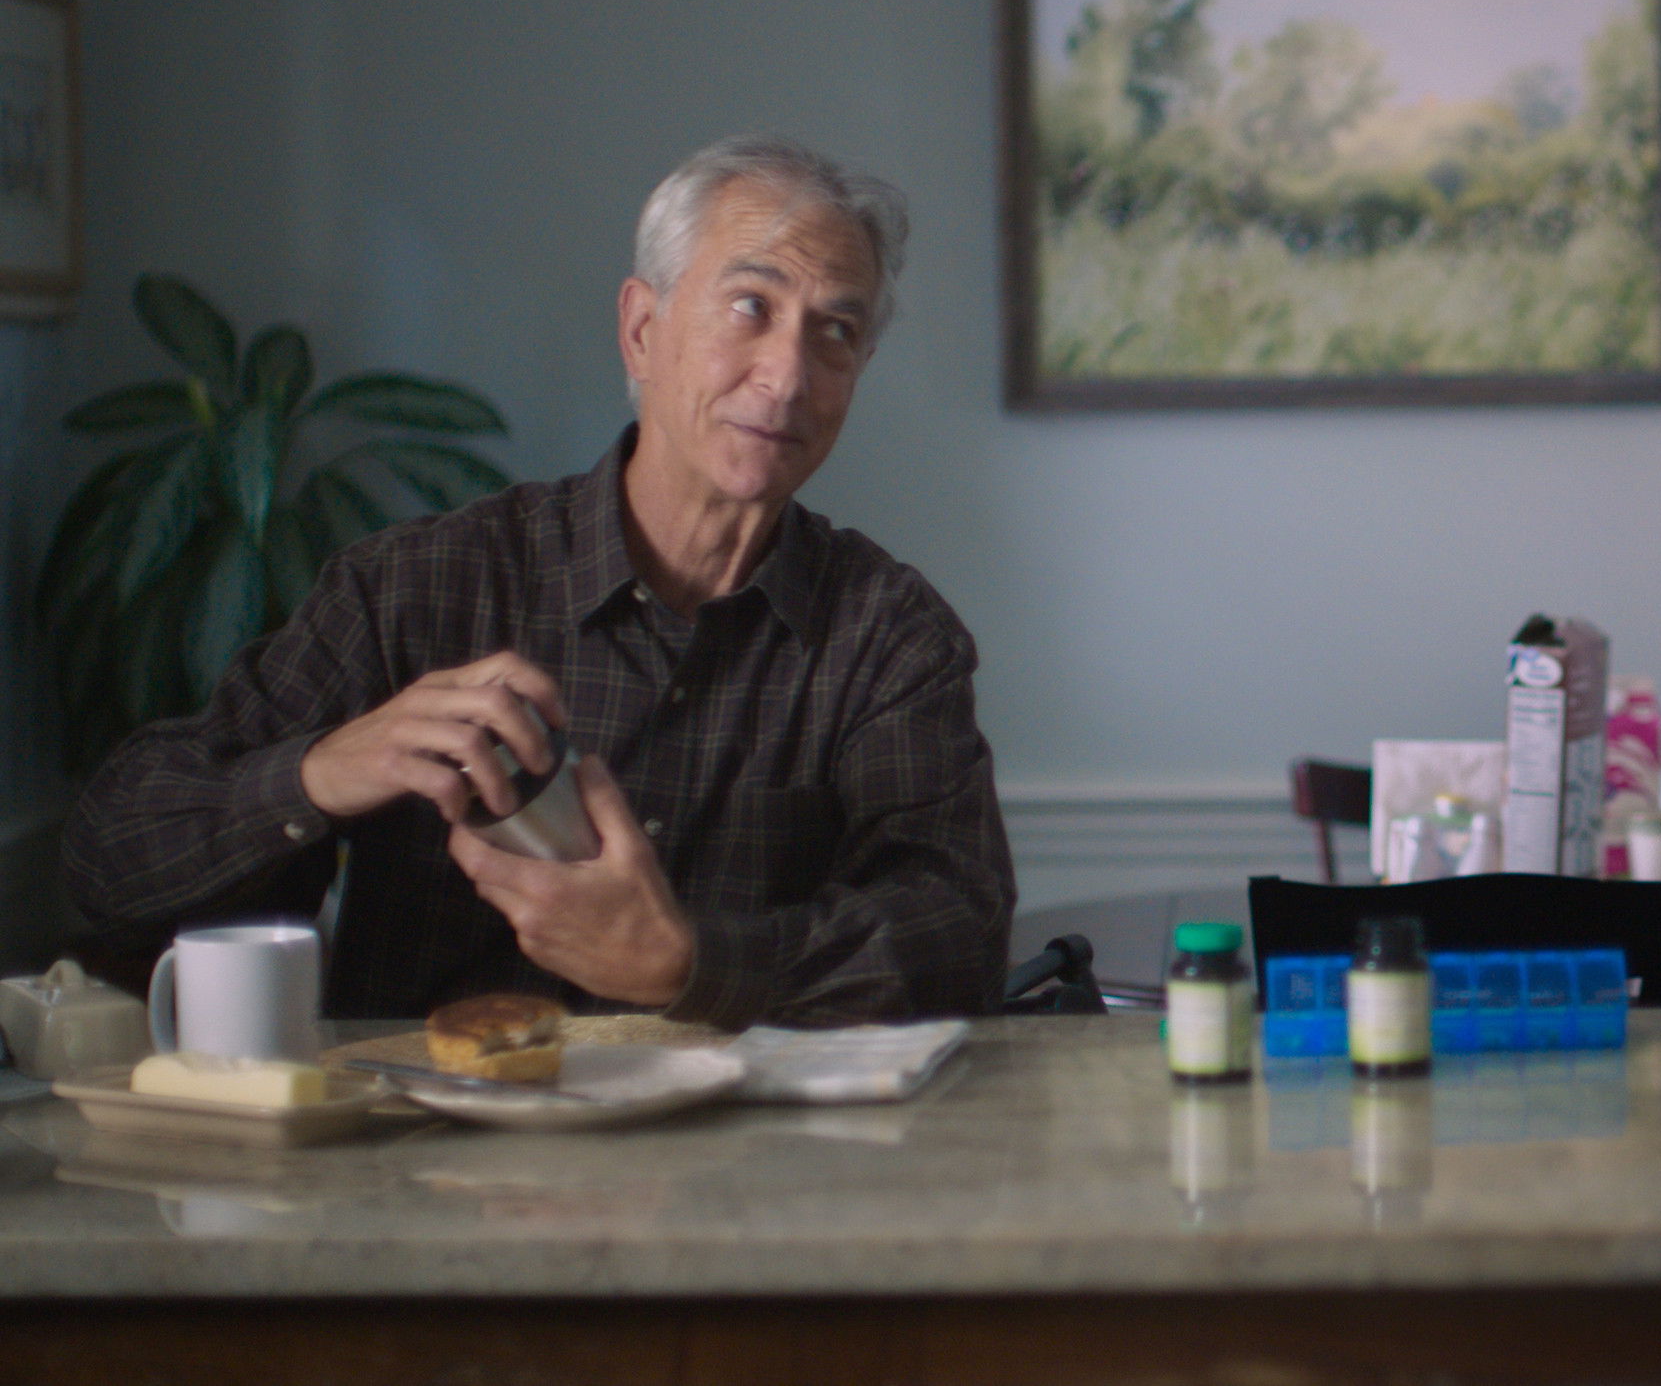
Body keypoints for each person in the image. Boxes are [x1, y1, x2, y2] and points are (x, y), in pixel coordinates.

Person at [64, 135, 1015, 1029]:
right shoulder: (416, 587)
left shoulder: (889, 634)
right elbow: (108, 866)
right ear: (642, 330)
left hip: (744, 1145)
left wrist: (690, 963)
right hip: (427, 1138)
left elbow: (958, 935)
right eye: (750, 307)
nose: (788, 373)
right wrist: (318, 772)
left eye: (836, 330)